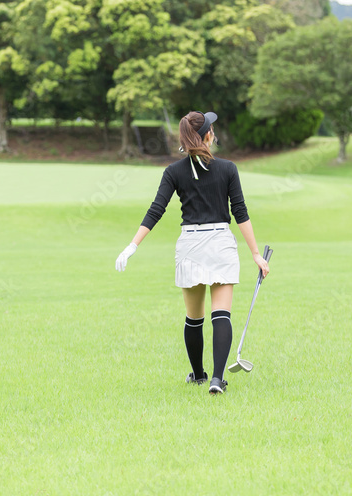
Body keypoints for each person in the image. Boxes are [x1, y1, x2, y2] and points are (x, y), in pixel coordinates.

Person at [115, 111, 270, 395]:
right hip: (220, 243)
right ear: (208, 135)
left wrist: (132, 245)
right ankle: (217, 380)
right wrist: (256, 254)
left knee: (194, 318)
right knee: (221, 314)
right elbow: (240, 212)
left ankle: (199, 375)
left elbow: (156, 209)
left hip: (190, 246)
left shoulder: (173, 171)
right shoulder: (228, 168)